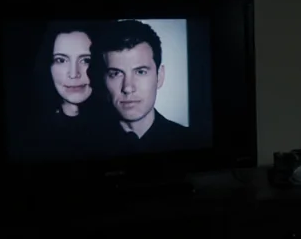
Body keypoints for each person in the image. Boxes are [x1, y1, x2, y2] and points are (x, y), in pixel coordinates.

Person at [95, 19, 195, 153]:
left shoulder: (190, 143)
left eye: (140, 72)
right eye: (116, 73)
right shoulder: (83, 146)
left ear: (159, 77)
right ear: (103, 79)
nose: (128, 88)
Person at [22, 20, 107, 158]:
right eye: (61, 60)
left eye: (86, 60)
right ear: (48, 66)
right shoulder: (31, 134)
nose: (74, 74)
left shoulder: (119, 131)